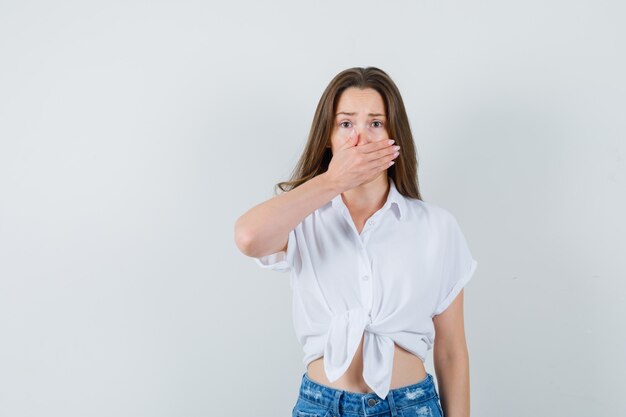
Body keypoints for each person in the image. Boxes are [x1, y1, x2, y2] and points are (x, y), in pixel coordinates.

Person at [234, 67, 478, 417]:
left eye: (375, 123)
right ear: (328, 137)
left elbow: (452, 350)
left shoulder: (436, 226)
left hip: (409, 406)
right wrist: (333, 181)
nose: (359, 138)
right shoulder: (303, 217)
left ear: (395, 136)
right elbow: (248, 238)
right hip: (321, 405)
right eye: (346, 124)